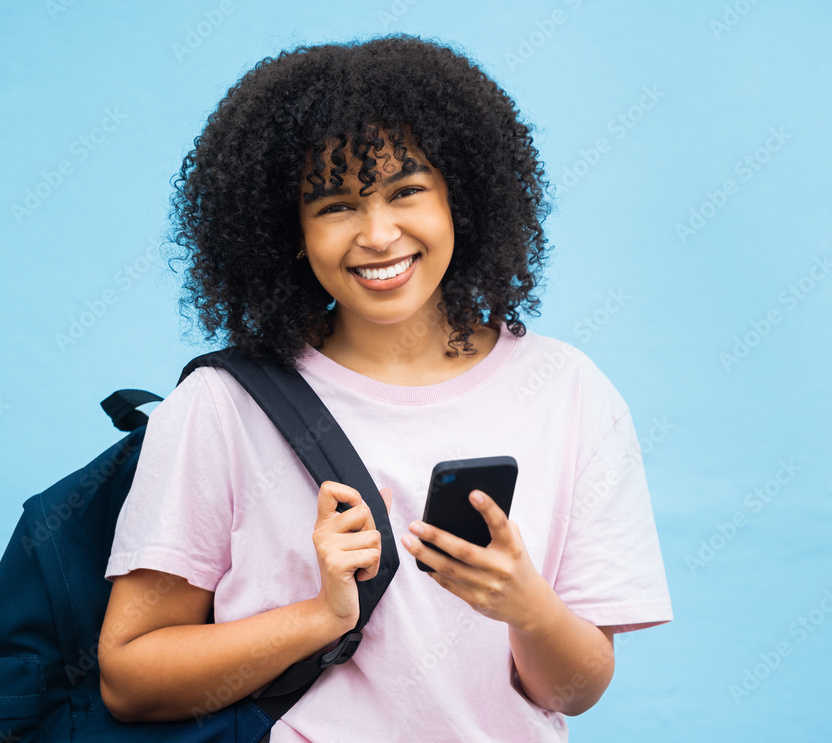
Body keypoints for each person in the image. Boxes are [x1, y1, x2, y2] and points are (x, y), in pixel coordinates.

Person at [98, 35, 672, 741]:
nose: (378, 233)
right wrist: (321, 615)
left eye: (406, 191)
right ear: (290, 231)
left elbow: (577, 691)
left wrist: (528, 606)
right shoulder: (223, 406)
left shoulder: (570, 392)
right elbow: (129, 678)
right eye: (335, 204)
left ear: (461, 196)